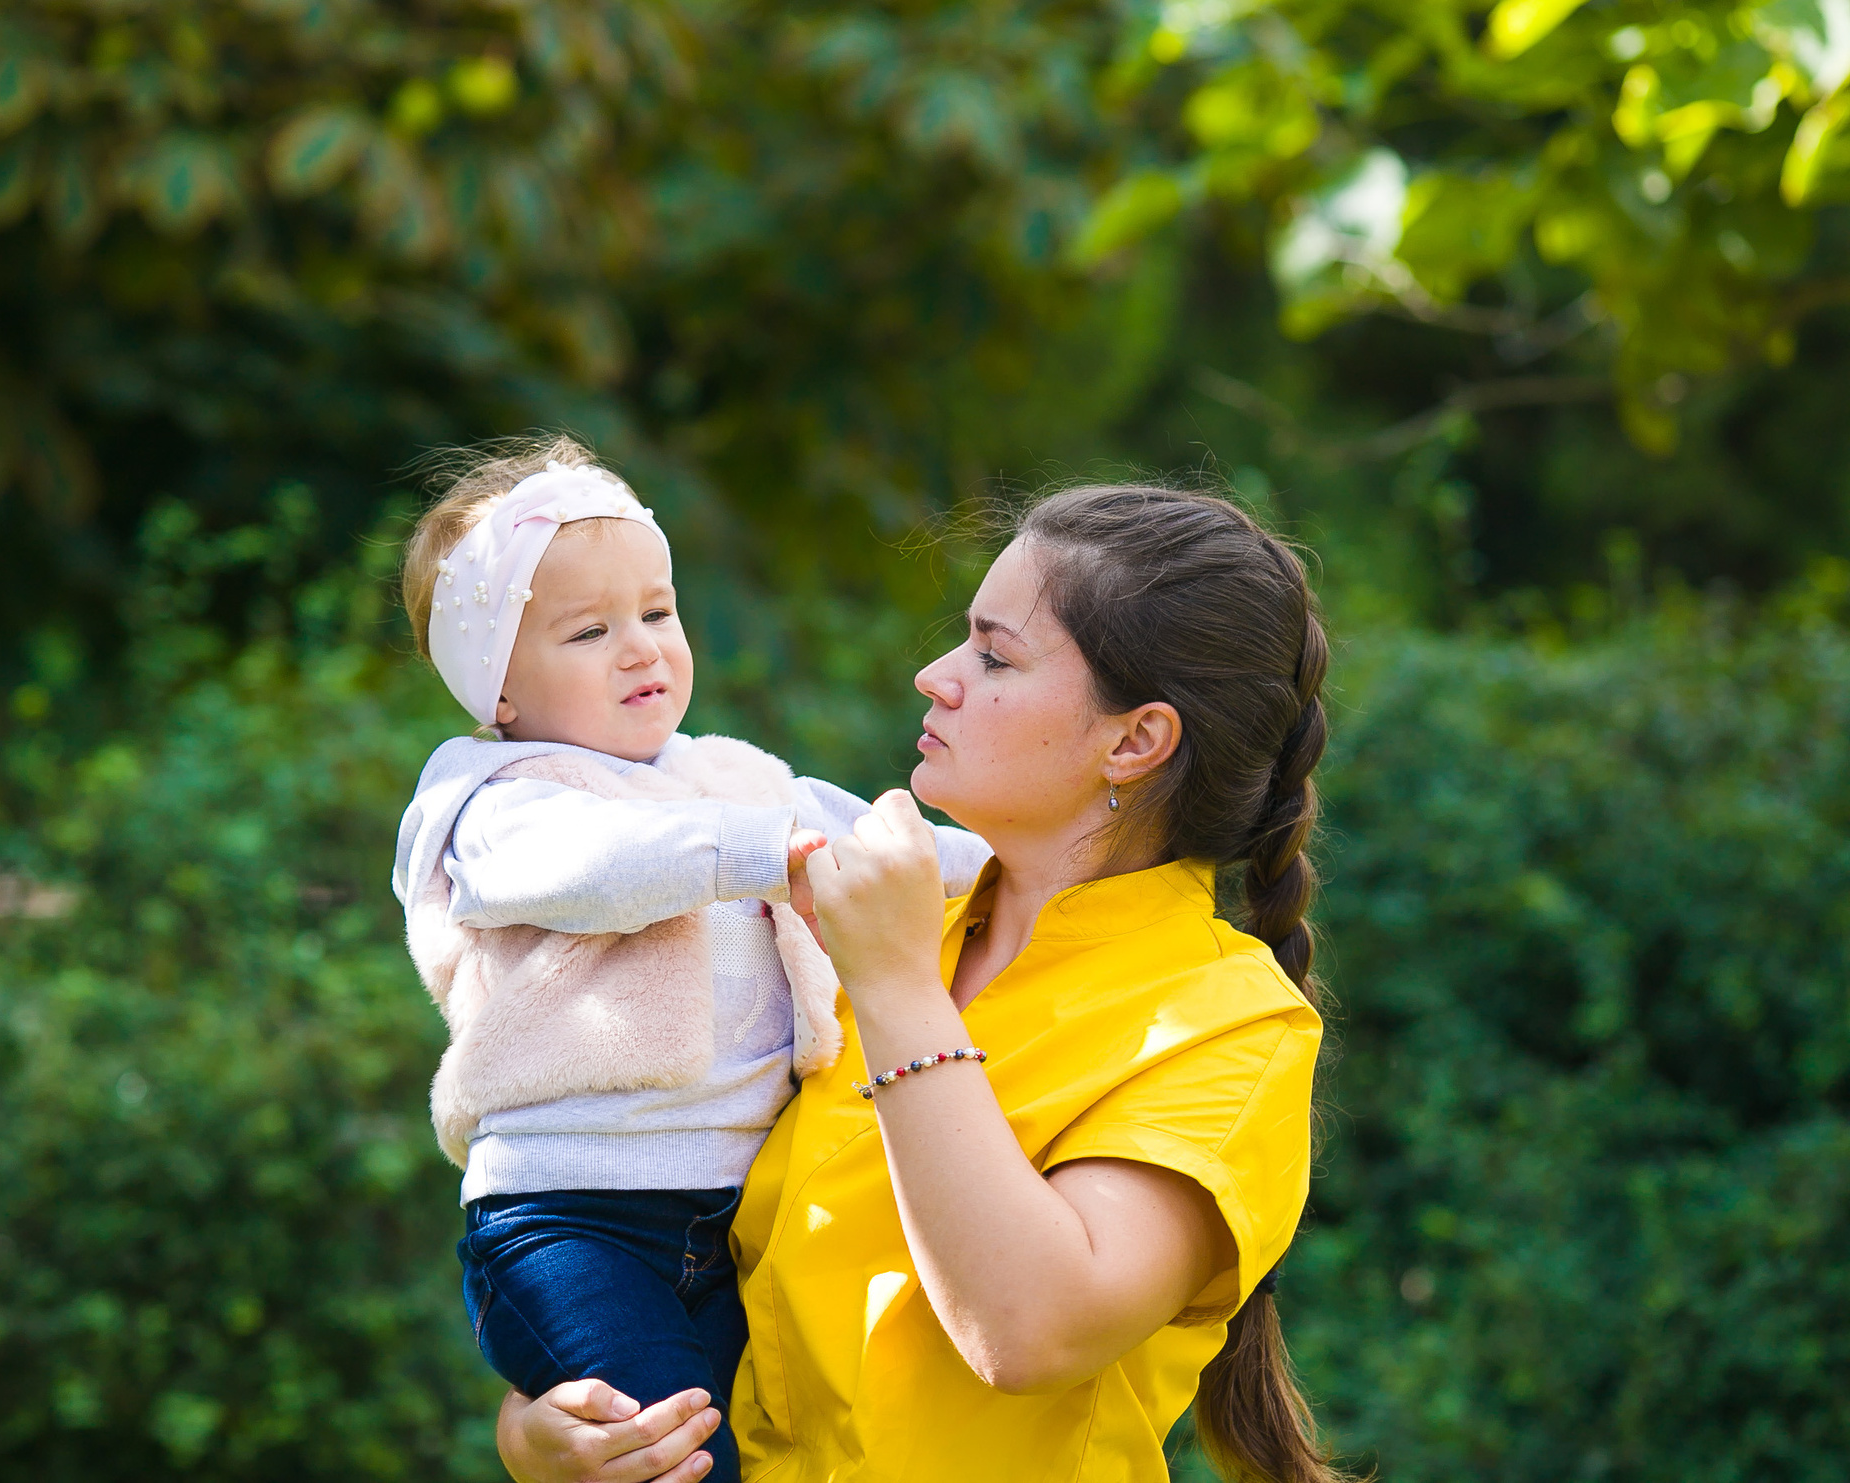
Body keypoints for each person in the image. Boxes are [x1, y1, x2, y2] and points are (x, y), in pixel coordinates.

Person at [495, 484, 1352, 1483]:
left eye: (994, 656)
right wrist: (547, 1433)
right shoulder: (875, 929)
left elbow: (1030, 1329)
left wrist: (899, 987)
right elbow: (674, 1248)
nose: (935, 675)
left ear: (1133, 742)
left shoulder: (1229, 1024)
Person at [392, 437, 991, 1483]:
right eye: (590, 630)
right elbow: (594, 866)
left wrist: (1008, 867)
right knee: (671, 1455)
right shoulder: (496, 799)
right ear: (495, 688)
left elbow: (882, 846)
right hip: (571, 1216)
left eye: (657, 613)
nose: (641, 649)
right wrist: (758, 850)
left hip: (739, 1211)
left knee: (761, 1446)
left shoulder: (735, 777)